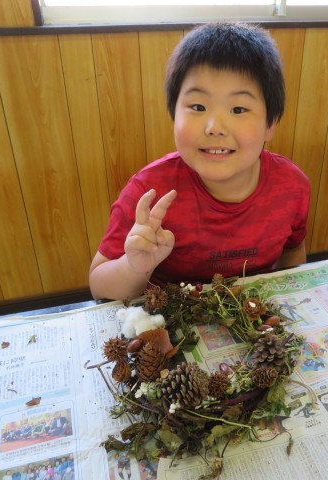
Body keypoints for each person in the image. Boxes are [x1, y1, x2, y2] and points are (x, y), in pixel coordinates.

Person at [89, 21, 311, 300]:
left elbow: (293, 250)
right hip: (169, 318)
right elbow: (99, 285)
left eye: (238, 109)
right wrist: (134, 267)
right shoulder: (150, 192)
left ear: (270, 124)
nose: (214, 127)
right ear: (174, 116)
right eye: (198, 106)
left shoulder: (292, 186)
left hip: (251, 314)